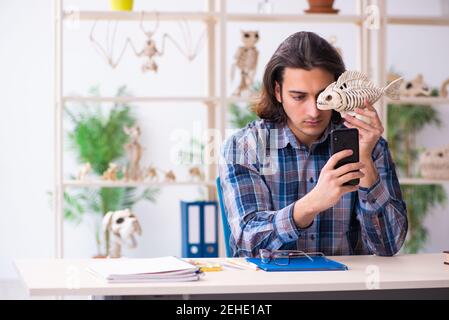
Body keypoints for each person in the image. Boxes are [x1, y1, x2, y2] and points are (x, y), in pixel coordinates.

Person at [218, 31, 408, 257]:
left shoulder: (369, 145)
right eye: (299, 97)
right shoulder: (245, 147)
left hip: (346, 288)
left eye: (323, 96)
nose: (314, 111)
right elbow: (248, 243)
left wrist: (364, 161)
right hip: (272, 290)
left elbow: (389, 245)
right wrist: (311, 204)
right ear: (278, 91)